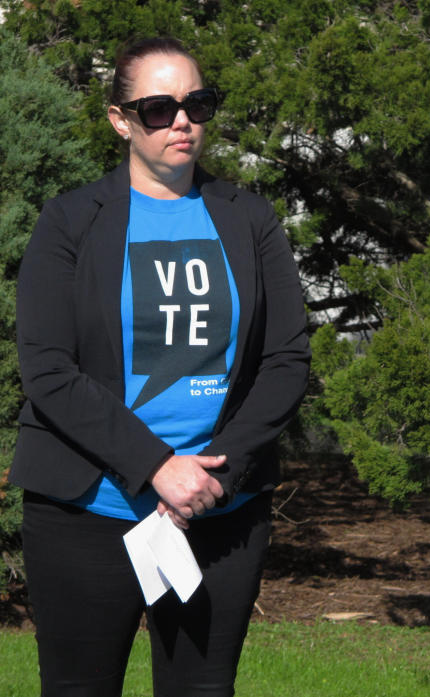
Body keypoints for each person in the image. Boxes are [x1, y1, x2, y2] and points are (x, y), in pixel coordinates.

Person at [12, 37, 311, 696]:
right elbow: (49, 368)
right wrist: (156, 464)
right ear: (120, 119)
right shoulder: (69, 222)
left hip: (219, 507)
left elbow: (286, 358)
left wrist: (212, 472)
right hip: (90, 508)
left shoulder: (250, 217)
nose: (182, 121)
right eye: (158, 108)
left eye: (196, 103)